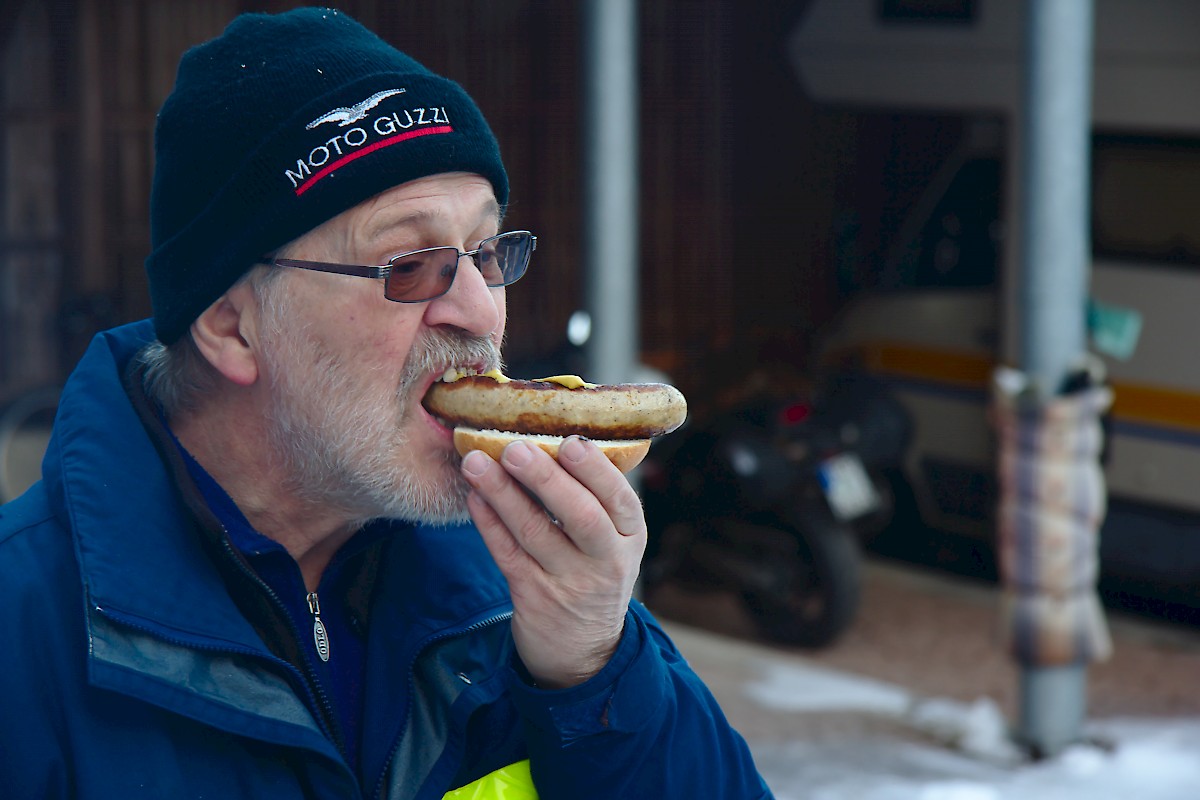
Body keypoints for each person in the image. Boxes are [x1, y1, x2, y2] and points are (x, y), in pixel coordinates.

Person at [0, 8, 774, 799]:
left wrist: (594, 675)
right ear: (232, 326)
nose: (479, 312)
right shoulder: (24, 635)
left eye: (487, 252)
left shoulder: (519, 577)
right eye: (410, 265)